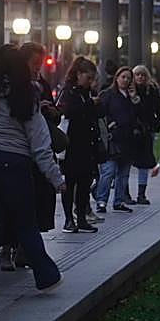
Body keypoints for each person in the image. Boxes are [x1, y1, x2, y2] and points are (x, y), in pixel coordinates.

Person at [0, 46, 64, 297]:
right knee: (25, 223)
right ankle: (46, 276)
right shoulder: (25, 93)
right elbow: (40, 142)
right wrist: (56, 178)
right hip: (14, 163)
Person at [58, 56, 102, 233]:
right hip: (72, 144)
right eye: (88, 77)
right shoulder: (69, 92)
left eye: (92, 79)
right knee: (69, 183)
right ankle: (69, 219)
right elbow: (69, 112)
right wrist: (90, 104)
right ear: (78, 74)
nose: (90, 82)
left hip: (87, 144)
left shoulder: (88, 93)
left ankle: (82, 217)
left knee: (85, 183)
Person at [21, 42, 62, 233]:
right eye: (34, 63)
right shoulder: (16, 87)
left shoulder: (42, 84)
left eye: (40, 63)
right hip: (24, 152)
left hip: (39, 149)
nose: (37, 68)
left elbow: (55, 116)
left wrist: (51, 111)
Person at [98, 66, 139, 211]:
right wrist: (110, 125)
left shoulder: (131, 97)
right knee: (108, 171)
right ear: (117, 78)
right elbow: (101, 113)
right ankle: (101, 200)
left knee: (124, 174)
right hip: (113, 139)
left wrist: (134, 99)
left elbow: (137, 115)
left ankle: (119, 201)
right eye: (123, 77)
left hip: (127, 139)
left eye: (128, 78)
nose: (125, 80)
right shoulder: (108, 95)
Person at [130, 65, 160, 205]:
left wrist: (155, 127)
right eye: (137, 75)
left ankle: (141, 194)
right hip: (131, 130)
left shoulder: (151, 91)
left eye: (143, 75)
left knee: (144, 162)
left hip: (147, 130)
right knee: (125, 163)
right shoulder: (129, 90)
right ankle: (124, 193)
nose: (140, 77)